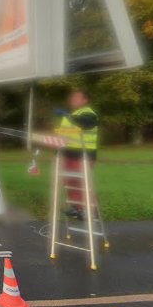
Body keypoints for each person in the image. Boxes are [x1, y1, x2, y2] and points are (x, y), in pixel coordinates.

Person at [54, 90, 98, 220]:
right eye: (72, 97)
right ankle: (76, 207)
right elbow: (63, 135)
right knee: (70, 181)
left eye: (76, 97)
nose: (73, 99)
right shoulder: (71, 115)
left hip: (84, 155)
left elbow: (84, 123)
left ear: (85, 100)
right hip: (68, 154)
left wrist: (66, 115)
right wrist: (58, 151)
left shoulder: (89, 113)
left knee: (81, 182)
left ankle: (90, 210)